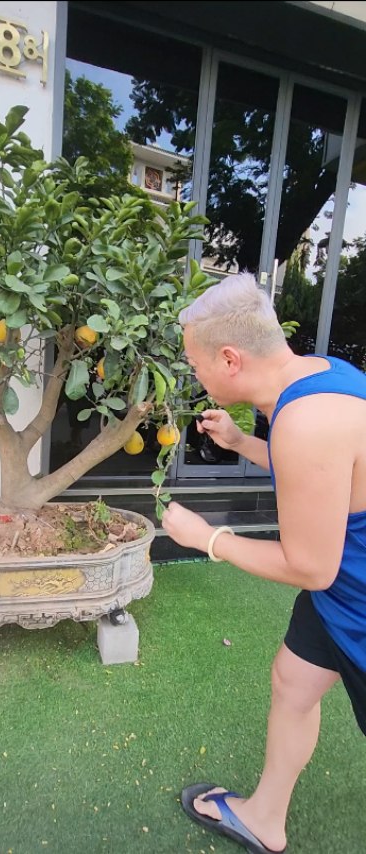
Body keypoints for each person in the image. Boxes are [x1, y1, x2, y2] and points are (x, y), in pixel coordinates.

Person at [162, 271, 366, 854]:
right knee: (293, 681)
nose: (195, 376)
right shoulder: (320, 375)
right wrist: (239, 442)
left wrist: (207, 538)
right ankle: (264, 818)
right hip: (340, 588)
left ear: (229, 359)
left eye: (195, 364)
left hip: (355, 593)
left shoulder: (305, 421)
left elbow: (311, 567)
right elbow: (322, 475)